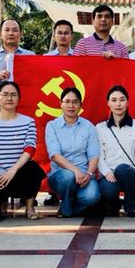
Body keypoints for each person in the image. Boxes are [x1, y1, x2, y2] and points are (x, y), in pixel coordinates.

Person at [0, 81, 46, 219]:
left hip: (18, 172)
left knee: (33, 169)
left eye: (13, 95)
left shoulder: (28, 122)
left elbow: (30, 148)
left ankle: (30, 207)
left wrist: (13, 170)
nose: (9, 98)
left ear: (19, 98)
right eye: (5, 94)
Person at [45, 87, 101, 217]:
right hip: (61, 176)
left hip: (85, 176)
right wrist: (75, 171)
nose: (71, 106)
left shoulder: (89, 127)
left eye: (75, 102)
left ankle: (71, 204)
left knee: (92, 196)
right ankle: (66, 205)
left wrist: (89, 174)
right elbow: (55, 155)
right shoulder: (52, 126)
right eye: (67, 102)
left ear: (80, 105)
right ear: (61, 104)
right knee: (68, 176)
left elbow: (94, 155)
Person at [96, 85, 135, 217]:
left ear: (128, 102)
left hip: (129, 173)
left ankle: (130, 203)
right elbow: (99, 155)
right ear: (108, 103)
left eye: (122, 100)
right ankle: (114, 203)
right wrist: (106, 172)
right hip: (109, 174)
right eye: (114, 100)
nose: (118, 104)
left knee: (122, 169)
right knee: (109, 190)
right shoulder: (100, 128)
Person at [0, 19, 35, 108]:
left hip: (24, 106)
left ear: (21, 34)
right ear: (0, 34)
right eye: (7, 30)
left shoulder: (30, 55)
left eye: (15, 30)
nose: (11, 33)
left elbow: (38, 80)